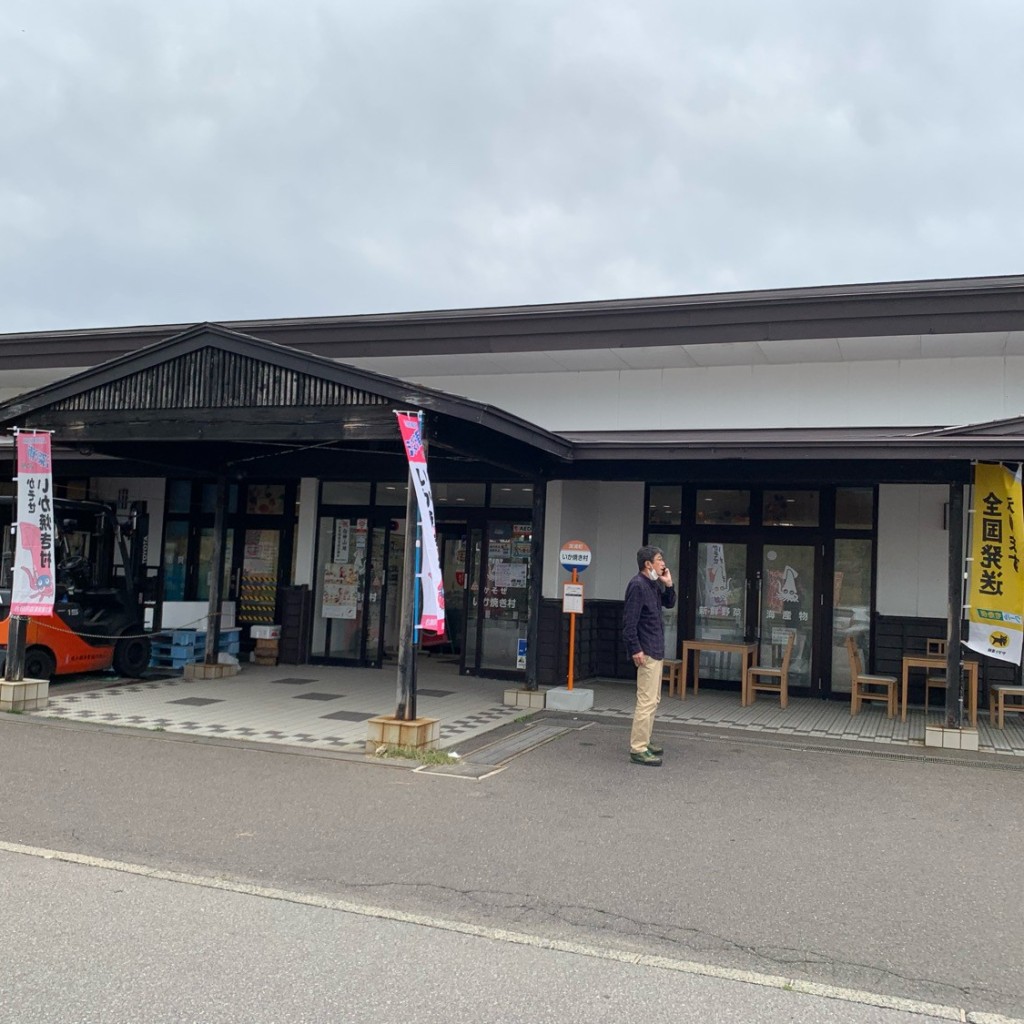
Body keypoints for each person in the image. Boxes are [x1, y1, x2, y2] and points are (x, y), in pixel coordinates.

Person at [622, 544, 676, 766]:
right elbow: (629, 623)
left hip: (655, 649)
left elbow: (670, 603)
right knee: (646, 701)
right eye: (659, 559)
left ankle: (645, 740)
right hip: (646, 651)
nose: (663, 563)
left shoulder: (652, 584)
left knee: (653, 700)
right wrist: (635, 649)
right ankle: (638, 748)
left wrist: (669, 584)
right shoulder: (637, 585)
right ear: (648, 564)